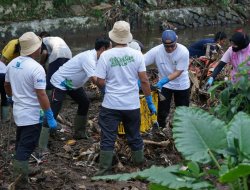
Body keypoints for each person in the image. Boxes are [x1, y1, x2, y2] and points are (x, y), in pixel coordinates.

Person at [95, 20, 157, 176]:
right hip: (131, 105)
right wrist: (149, 101)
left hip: (111, 105)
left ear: (113, 38)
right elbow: (144, 80)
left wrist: (106, 88)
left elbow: (100, 81)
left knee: (108, 137)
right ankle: (139, 165)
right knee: (134, 135)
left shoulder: (105, 56)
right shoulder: (137, 55)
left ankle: (104, 171)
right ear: (128, 37)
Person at [38, 37, 112, 152]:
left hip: (72, 84)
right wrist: (108, 92)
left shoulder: (100, 59)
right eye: (110, 49)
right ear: (103, 49)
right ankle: (42, 144)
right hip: (61, 82)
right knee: (53, 111)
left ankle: (79, 132)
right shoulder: (89, 58)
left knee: (84, 102)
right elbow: (95, 79)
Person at [4, 32, 57, 189]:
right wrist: (49, 114)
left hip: (19, 112)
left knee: (21, 142)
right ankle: (20, 182)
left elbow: (7, 85)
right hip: (32, 115)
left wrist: (10, 97)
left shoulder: (12, 64)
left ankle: (21, 169)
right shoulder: (36, 68)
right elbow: (41, 94)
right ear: (35, 49)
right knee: (26, 146)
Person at [144, 30, 190, 129]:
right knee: (162, 111)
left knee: (183, 112)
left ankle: (183, 130)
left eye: (172, 46)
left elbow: (178, 72)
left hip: (181, 85)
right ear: (162, 43)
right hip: (165, 86)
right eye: (166, 46)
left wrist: (162, 81)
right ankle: (161, 129)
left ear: (176, 41)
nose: (169, 48)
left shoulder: (183, 51)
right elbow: (141, 62)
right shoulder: (156, 51)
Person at [0, 39, 20, 122]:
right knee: (4, 96)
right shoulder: (13, 45)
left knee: (4, 95)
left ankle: (4, 118)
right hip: (4, 73)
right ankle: (4, 119)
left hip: (4, 72)